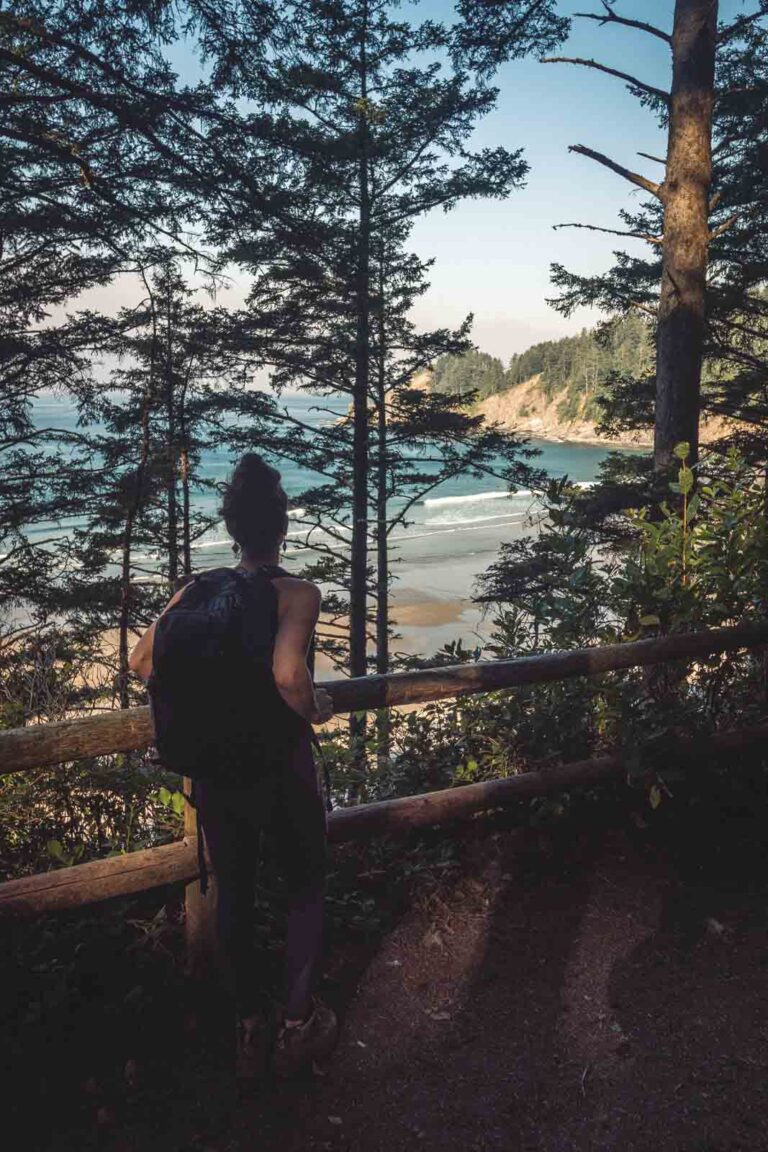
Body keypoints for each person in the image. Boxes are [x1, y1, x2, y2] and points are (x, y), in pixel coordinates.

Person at [129, 453, 337, 1079]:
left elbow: (141, 662)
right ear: (283, 526)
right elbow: (288, 676)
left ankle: (250, 1030)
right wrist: (318, 709)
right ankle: (297, 1027)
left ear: (232, 528)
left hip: (218, 773)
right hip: (280, 767)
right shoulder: (297, 594)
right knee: (304, 886)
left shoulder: (197, 589)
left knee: (234, 896)